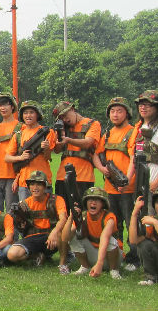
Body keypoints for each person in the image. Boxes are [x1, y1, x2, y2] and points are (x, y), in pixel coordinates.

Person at [93, 97, 140, 271]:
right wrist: (101, 168)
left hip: (128, 189)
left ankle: (134, 258)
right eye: (112, 111)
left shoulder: (133, 132)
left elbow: (134, 158)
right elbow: (95, 154)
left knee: (131, 223)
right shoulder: (107, 134)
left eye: (119, 111)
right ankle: (117, 254)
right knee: (114, 224)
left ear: (127, 113)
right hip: (110, 189)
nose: (115, 114)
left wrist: (126, 180)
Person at [58, 187, 123, 279]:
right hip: (94, 255)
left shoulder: (109, 217)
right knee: (74, 236)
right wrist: (71, 217)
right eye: (90, 200)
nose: (93, 203)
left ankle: (114, 270)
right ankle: (85, 266)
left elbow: (105, 238)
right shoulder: (83, 216)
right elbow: (65, 238)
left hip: (112, 257)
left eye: (97, 200)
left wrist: (99, 263)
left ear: (103, 203)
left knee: (110, 240)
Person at [5, 170, 66, 267]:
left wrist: (54, 232)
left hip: (53, 238)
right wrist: (18, 220)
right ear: (28, 187)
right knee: (12, 254)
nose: (35, 187)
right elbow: (9, 222)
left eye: (39, 184)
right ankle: (36, 256)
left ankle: (63, 262)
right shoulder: (24, 204)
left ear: (45, 186)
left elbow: (63, 219)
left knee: (63, 232)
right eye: (32, 184)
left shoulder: (57, 200)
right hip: (33, 239)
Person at [52, 101, 101, 209]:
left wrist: (68, 140)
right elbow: (56, 150)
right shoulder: (62, 128)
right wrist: (60, 136)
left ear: (72, 109)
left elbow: (88, 142)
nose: (65, 119)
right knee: (62, 211)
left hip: (84, 177)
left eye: (65, 115)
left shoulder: (92, 124)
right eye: (61, 118)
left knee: (81, 212)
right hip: (62, 176)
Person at [7, 101, 58, 201]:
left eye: (31, 112)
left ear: (37, 114)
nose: (28, 115)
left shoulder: (47, 132)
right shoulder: (19, 135)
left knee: (44, 209)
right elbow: (7, 158)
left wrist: (46, 148)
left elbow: (48, 157)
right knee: (25, 210)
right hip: (24, 182)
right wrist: (20, 157)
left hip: (43, 181)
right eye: (25, 113)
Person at [128, 90, 158, 191]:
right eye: (141, 104)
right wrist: (127, 181)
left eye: (148, 105)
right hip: (143, 184)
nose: (143, 107)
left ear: (157, 107)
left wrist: (157, 182)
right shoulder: (138, 128)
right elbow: (134, 157)